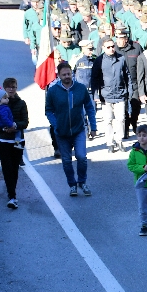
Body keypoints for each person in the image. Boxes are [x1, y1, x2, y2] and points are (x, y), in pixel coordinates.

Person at [45, 62, 98, 196]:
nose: (67, 76)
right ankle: (72, 184)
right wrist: (56, 125)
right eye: (64, 74)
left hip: (78, 129)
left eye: (69, 73)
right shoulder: (53, 91)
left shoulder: (80, 88)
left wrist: (93, 126)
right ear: (59, 76)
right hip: (61, 133)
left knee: (81, 157)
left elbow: (89, 107)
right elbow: (49, 110)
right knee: (67, 160)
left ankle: (82, 182)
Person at [0, 81, 28, 209]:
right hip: (2, 140)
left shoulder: (21, 103)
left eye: (14, 87)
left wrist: (15, 126)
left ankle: (12, 193)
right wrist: (3, 129)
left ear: (16, 88)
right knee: (7, 168)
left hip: (17, 140)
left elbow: (25, 122)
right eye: (8, 87)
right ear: (4, 89)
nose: (11, 89)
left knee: (14, 168)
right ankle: (12, 195)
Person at [92, 36, 131, 152]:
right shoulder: (99, 61)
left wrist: (129, 90)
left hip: (120, 94)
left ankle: (119, 141)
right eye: (108, 47)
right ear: (103, 48)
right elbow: (94, 79)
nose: (111, 49)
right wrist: (96, 95)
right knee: (108, 120)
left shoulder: (121, 59)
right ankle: (110, 142)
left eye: (113, 46)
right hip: (106, 95)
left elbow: (127, 75)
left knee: (121, 119)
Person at [115, 29, 143, 138]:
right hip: (121, 84)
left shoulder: (136, 48)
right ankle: (125, 128)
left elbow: (143, 62)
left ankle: (134, 122)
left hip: (135, 82)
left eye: (120, 38)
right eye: (117, 38)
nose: (118, 41)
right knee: (124, 108)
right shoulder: (115, 49)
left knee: (136, 106)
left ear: (126, 39)